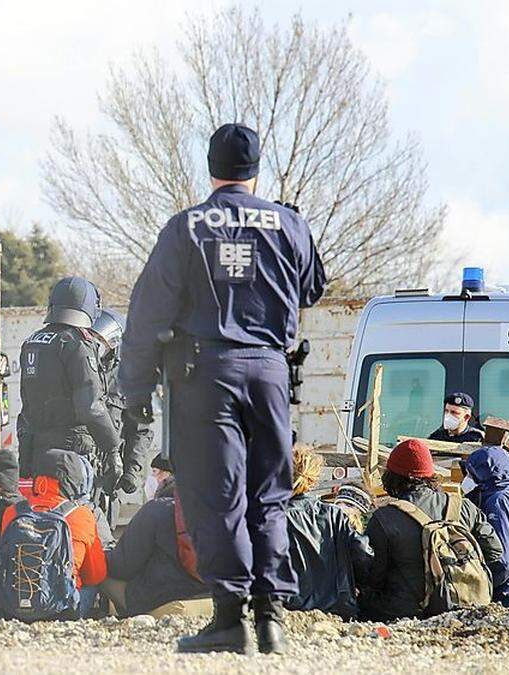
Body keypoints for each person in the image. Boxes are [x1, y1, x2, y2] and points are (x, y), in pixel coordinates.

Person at [118, 124, 326, 654]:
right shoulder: (289, 224)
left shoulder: (186, 228)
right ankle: (273, 616)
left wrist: (135, 390)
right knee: (270, 493)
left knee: (218, 495)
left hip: (206, 377)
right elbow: (314, 288)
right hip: (272, 374)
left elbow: (146, 317)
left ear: (210, 169)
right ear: (256, 171)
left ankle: (231, 617)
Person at [358, 439, 504, 621]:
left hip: (403, 612)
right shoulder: (463, 507)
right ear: (430, 474)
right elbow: (496, 554)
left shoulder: (384, 519)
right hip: (465, 608)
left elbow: (372, 577)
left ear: (392, 476)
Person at [17, 277, 122, 496]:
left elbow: (27, 405)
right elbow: (91, 407)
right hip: (72, 453)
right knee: (78, 516)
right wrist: (112, 448)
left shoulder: (33, 341)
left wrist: (25, 453)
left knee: (44, 510)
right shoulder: (76, 343)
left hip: (39, 449)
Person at [0, 449, 107, 599]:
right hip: (62, 607)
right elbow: (94, 575)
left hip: (12, 603)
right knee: (93, 585)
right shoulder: (82, 514)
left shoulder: (12, 512)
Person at [283, 445, 372, 620]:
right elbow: (362, 553)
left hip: (291, 610)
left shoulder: (275, 517)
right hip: (338, 609)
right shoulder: (333, 514)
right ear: (314, 479)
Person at [104, 476, 210, 617]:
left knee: (99, 573)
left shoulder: (156, 510)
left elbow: (122, 567)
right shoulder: (217, 510)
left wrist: (103, 553)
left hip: (162, 599)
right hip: (211, 596)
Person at [462, 445, 509, 605]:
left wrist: (473, 587)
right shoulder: (505, 499)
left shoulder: (501, 502)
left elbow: (502, 562)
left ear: (484, 478)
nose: (465, 479)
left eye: (470, 474)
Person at [90, 307, 150, 499]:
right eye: (93, 337)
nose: (97, 343)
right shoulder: (78, 367)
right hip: (78, 467)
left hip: (109, 474)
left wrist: (132, 471)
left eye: (101, 339)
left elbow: (140, 430)